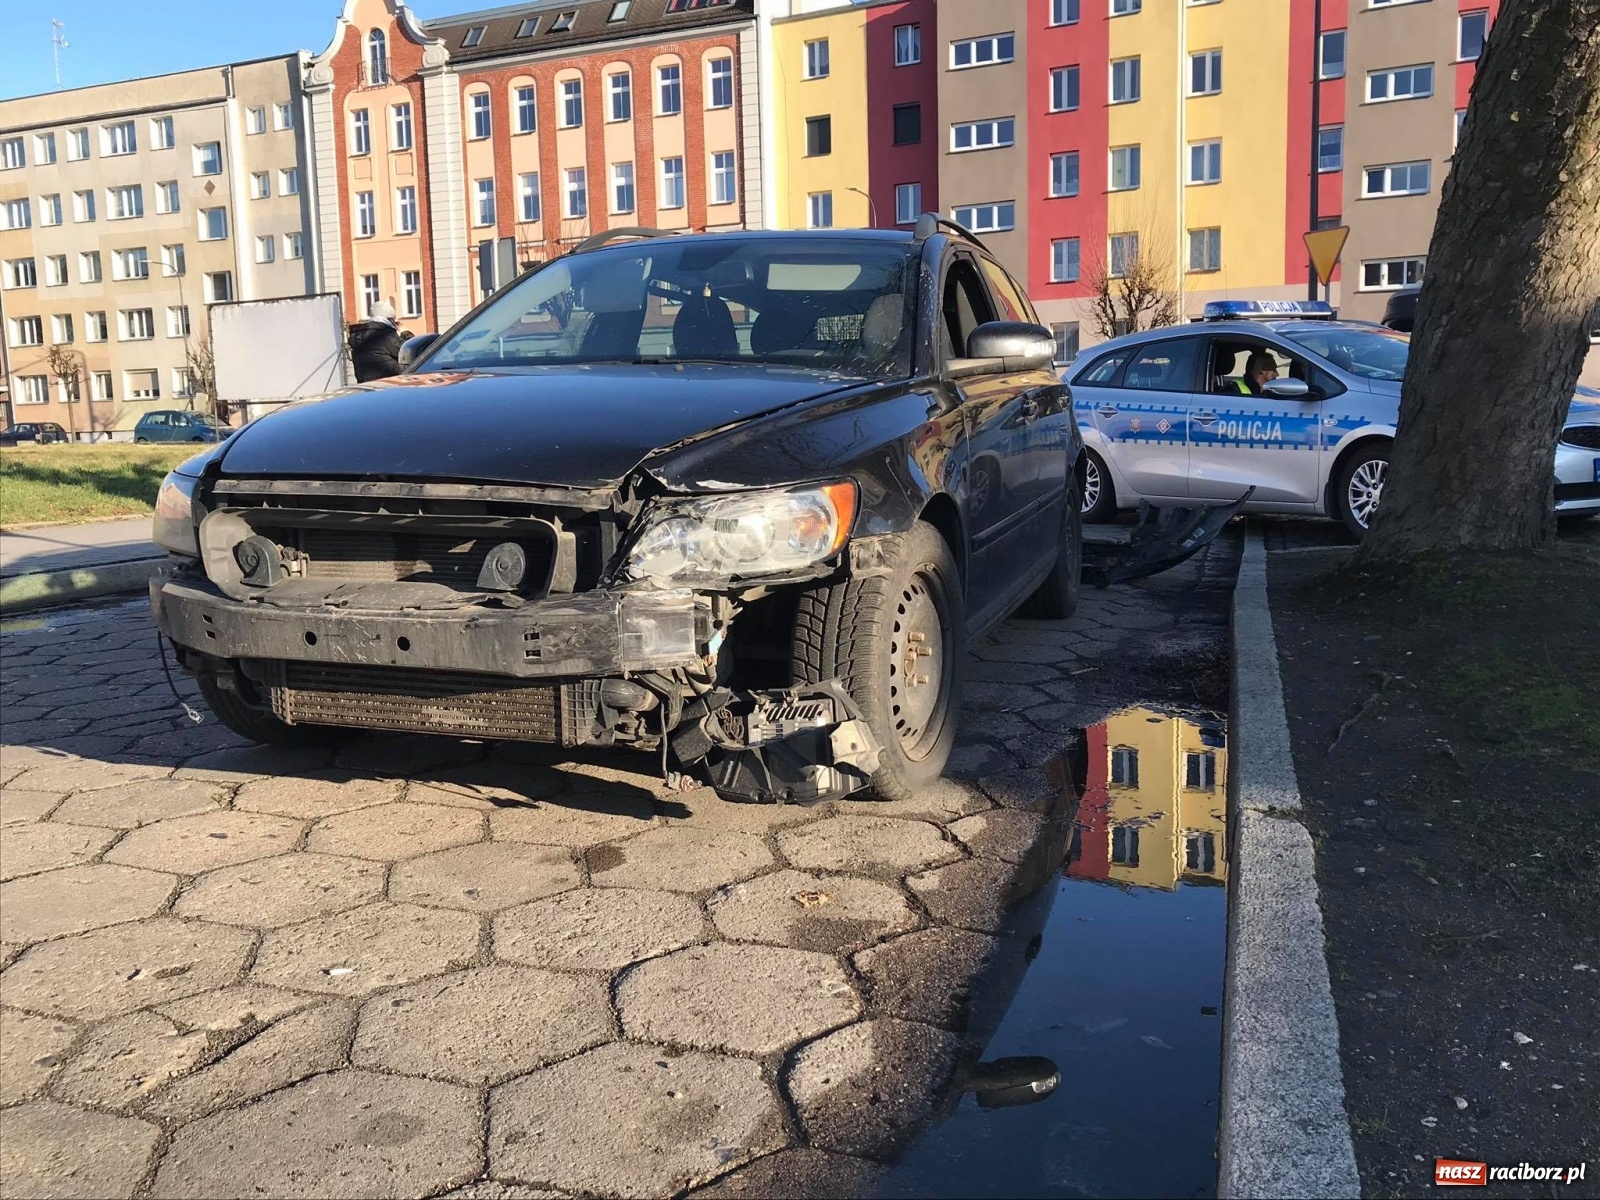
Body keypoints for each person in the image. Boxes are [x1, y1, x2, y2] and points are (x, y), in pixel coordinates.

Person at [348, 300, 404, 382]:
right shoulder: (385, 335)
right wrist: (405, 332)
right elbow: (410, 352)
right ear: (390, 320)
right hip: (389, 385)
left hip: (368, 386)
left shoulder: (357, 336)